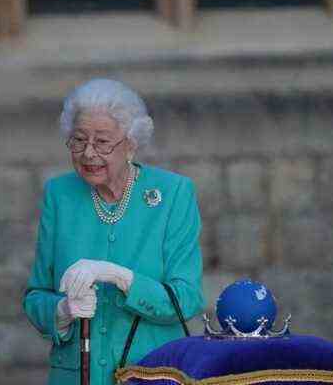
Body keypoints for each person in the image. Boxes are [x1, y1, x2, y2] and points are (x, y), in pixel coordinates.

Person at [23, 78, 205, 385]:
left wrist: (120, 277)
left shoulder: (173, 194)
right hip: (76, 376)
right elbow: (35, 295)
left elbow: (186, 299)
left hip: (149, 375)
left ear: (131, 143)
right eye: (78, 140)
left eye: (103, 142)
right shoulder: (60, 195)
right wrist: (63, 310)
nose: (88, 153)